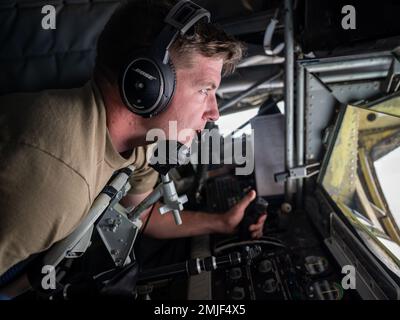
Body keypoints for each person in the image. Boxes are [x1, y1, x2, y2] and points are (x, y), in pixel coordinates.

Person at [0, 0, 266, 298]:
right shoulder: (53, 178)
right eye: (205, 90)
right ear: (146, 83)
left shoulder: (137, 144)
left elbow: (143, 212)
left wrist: (221, 222)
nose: (214, 112)